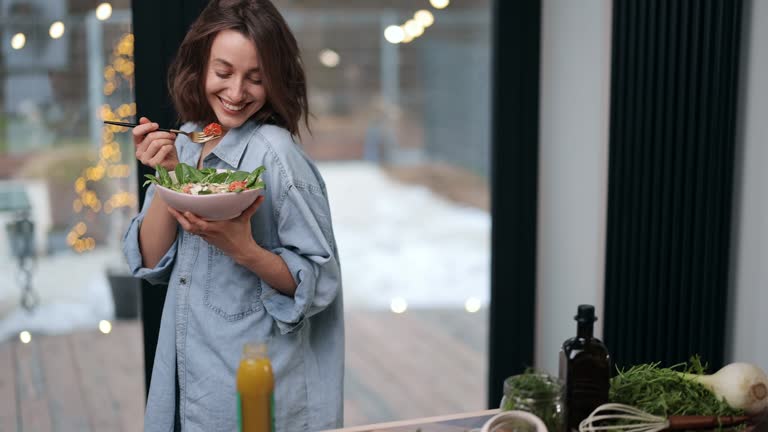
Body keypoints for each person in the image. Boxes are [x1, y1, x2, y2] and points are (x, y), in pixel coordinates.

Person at [122, 1, 344, 430]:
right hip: (191, 383)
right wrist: (169, 176)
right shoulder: (187, 138)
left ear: (276, 80)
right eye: (223, 73)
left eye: (255, 78)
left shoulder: (275, 155)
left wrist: (243, 249)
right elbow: (149, 261)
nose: (237, 92)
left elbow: (320, 284)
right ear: (199, 66)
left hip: (251, 395)